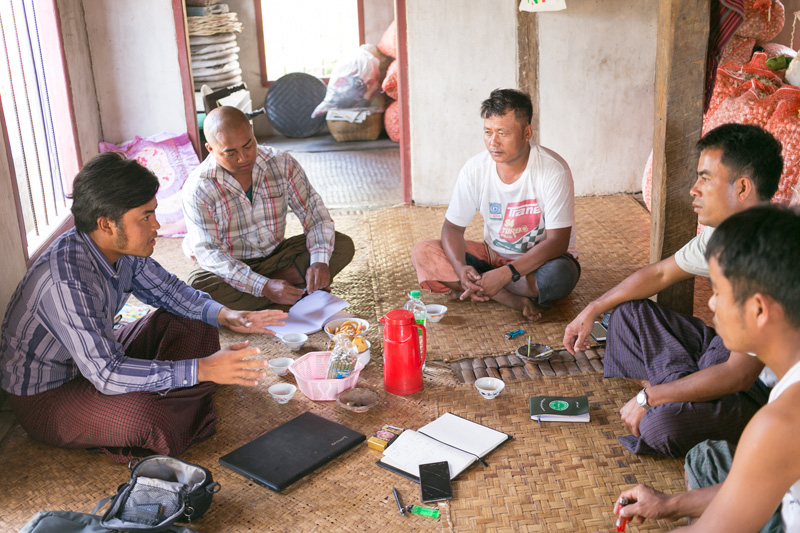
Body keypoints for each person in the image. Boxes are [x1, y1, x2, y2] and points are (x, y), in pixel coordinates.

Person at [0, 152, 286, 463]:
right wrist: (202, 368)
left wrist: (229, 315)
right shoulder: (66, 280)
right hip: (50, 394)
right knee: (150, 420)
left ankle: (174, 393)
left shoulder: (122, 249)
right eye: (145, 217)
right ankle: (176, 395)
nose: (157, 226)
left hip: (98, 356)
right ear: (106, 224)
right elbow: (107, 374)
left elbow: (171, 291)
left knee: (197, 318)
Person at [563, 123, 783, 457]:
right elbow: (662, 272)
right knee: (625, 312)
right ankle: (681, 388)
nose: (694, 189)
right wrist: (593, 307)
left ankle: (674, 393)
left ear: (742, 188)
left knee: (659, 427)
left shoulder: (771, 256)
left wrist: (648, 397)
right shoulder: (722, 234)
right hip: (720, 349)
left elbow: (738, 375)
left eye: (706, 178)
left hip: (756, 388)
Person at [606, 205, 800, 533]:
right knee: (706, 458)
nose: (710, 304)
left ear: (758, 309)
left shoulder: (779, 422)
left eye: (719, 293)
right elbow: (759, 483)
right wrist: (670, 504)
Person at [411, 89, 579, 321]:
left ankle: (480, 284)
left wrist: (507, 273)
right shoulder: (475, 169)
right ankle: (507, 297)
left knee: (559, 277)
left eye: (503, 133)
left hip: (539, 262)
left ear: (527, 132)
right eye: (488, 132)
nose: (493, 142)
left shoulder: (552, 170)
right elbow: (453, 228)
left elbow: (557, 242)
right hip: (493, 256)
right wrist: (460, 268)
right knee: (424, 252)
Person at [182, 106, 355, 311]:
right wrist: (263, 286)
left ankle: (274, 293)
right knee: (197, 286)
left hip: (277, 256)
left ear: (252, 132)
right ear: (210, 149)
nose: (243, 158)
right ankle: (291, 289)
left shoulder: (281, 163)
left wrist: (319, 261)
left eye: (248, 145)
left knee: (342, 245)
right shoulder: (198, 188)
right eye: (231, 153)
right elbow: (210, 254)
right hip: (233, 265)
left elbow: (314, 214)